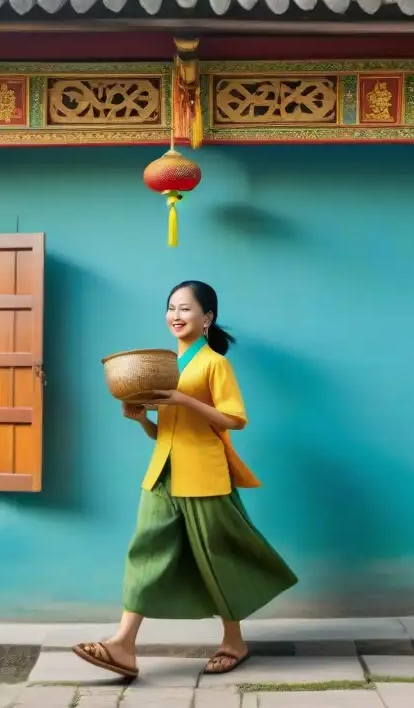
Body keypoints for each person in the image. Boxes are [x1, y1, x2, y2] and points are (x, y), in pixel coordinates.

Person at [73, 280, 297, 680]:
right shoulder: (164, 366)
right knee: (145, 551)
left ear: (207, 318)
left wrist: (182, 400)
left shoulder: (215, 364)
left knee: (217, 557)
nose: (176, 316)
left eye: (185, 309)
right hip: (162, 473)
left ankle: (234, 641)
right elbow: (168, 433)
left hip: (205, 475)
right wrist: (143, 418)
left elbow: (234, 420)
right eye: (171, 308)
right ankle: (123, 645)